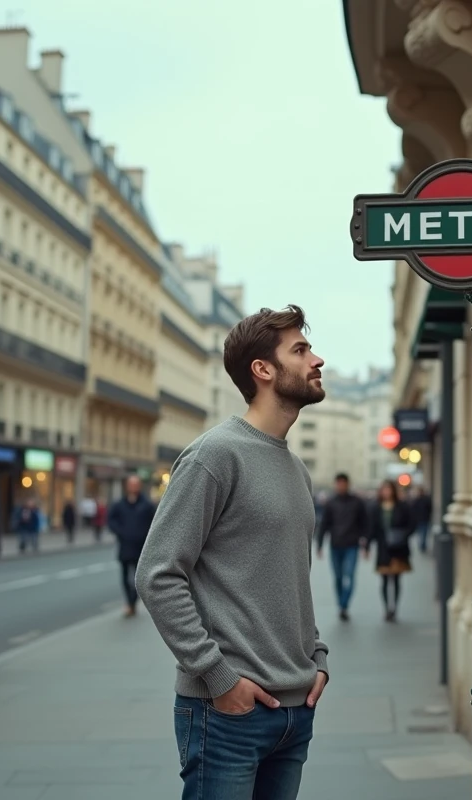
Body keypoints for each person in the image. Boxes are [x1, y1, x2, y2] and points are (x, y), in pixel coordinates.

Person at [136, 304, 329, 800]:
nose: (317, 360)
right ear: (263, 370)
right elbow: (157, 573)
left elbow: (290, 576)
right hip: (227, 715)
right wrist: (219, 678)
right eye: (300, 350)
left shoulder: (297, 469)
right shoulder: (214, 455)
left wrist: (317, 657)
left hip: (295, 711)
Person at [315, 472, 368, 621]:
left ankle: (344, 604)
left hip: (352, 545)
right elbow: (324, 524)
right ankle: (340, 603)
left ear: (347, 484)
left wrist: (366, 543)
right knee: (338, 577)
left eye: (343, 483)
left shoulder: (357, 502)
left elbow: (364, 523)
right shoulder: (331, 503)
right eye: (338, 483)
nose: (341, 486)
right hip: (335, 545)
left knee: (349, 575)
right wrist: (319, 544)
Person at [107, 475, 155, 617]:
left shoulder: (147, 505)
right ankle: (129, 602)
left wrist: (145, 536)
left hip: (141, 548)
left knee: (139, 578)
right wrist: (120, 532)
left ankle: (133, 601)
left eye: (136, 484)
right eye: (131, 484)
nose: (133, 487)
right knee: (125, 576)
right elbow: (111, 521)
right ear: (127, 486)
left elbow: (154, 524)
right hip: (125, 546)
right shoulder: (119, 504)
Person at [368, 479, 414, 622]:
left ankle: (395, 608)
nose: (386, 492)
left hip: (398, 547)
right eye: (384, 490)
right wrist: (367, 544)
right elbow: (372, 527)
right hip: (383, 548)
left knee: (396, 579)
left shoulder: (402, 506)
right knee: (384, 579)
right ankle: (387, 607)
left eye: (389, 489)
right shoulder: (376, 507)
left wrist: (403, 535)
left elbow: (412, 524)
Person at [410, 486, 432, 553]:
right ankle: (421, 545)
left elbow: (430, 508)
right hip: (419, 519)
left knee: (423, 533)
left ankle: (422, 545)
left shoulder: (425, 499)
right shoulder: (417, 500)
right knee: (421, 533)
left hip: (424, 519)